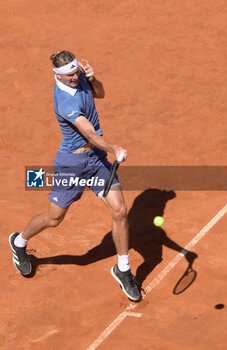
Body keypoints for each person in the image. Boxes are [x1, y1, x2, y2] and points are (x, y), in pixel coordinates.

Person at [9, 50, 141, 301]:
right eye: (70, 75)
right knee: (53, 218)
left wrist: (91, 78)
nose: (74, 78)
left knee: (120, 211)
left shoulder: (80, 77)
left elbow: (100, 93)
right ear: (57, 75)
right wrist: (114, 148)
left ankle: (123, 269)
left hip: (96, 161)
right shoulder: (65, 102)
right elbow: (90, 134)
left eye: (76, 72)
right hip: (72, 165)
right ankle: (19, 242)